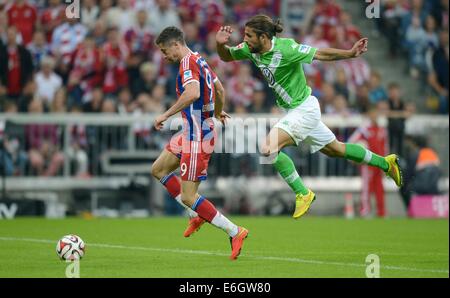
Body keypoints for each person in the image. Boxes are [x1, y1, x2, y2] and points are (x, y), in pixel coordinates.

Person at [215, 15, 403, 219]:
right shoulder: (251, 49)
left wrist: (349, 53)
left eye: (249, 35)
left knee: (268, 149)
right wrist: (219, 44)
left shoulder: (287, 48)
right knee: (336, 149)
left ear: (263, 37)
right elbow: (226, 57)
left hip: (304, 109)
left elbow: (321, 54)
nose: (245, 39)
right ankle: (386, 163)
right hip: (293, 111)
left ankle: (302, 193)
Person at [151, 26, 248, 260]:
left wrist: (165, 114)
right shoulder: (199, 59)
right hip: (190, 132)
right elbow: (219, 88)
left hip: (197, 137)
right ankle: (195, 214)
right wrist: (218, 111)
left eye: (165, 51)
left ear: (176, 44)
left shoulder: (186, 64)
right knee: (158, 169)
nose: (165, 56)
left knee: (188, 197)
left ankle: (235, 231)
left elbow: (193, 93)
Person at [349, 105, 388, 217]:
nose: (374, 116)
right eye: (372, 113)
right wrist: (357, 155)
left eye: (376, 114)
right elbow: (352, 141)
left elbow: (385, 147)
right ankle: (365, 210)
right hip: (368, 163)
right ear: (369, 115)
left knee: (380, 188)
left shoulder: (382, 130)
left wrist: (386, 163)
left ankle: (382, 212)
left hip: (380, 163)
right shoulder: (364, 129)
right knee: (367, 188)